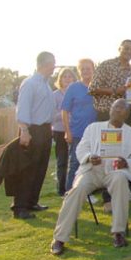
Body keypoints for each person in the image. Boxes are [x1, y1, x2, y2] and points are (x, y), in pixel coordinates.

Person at [50, 99, 131, 255]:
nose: (116, 110)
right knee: (77, 189)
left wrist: (126, 162)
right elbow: (81, 149)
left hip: (115, 171)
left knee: (120, 180)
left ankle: (118, 233)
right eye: (114, 107)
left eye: (121, 108)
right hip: (92, 170)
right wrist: (89, 156)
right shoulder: (93, 128)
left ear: (127, 113)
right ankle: (59, 238)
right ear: (110, 110)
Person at [13, 51, 56, 219]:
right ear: (46, 63)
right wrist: (24, 131)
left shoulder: (45, 84)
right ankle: (20, 207)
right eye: (53, 63)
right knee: (28, 169)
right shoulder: (30, 83)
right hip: (32, 130)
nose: (54, 66)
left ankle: (32, 202)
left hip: (45, 130)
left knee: (40, 168)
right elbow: (22, 109)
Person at [62, 59, 98, 192]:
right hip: (77, 132)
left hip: (94, 133)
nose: (86, 71)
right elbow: (64, 111)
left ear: (93, 69)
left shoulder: (97, 87)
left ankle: (87, 192)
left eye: (88, 68)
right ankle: (70, 192)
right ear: (79, 71)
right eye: (83, 69)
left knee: (92, 164)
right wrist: (67, 131)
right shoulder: (73, 88)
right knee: (75, 163)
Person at [89, 39, 131, 122]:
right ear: (119, 49)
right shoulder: (106, 65)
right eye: (126, 48)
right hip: (107, 114)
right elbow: (92, 89)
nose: (129, 51)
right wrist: (115, 91)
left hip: (126, 116)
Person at [52, 67, 77, 196]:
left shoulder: (76, 93)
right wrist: (65, 113)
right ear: (60, 79)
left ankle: (74, 186)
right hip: (60, 131)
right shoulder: (55, 95)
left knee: (75, 160)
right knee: (62, 160)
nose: (67, 79)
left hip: (75, 130)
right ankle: (61, 189)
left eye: (70, 76)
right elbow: (51, 115)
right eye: (64, 76)